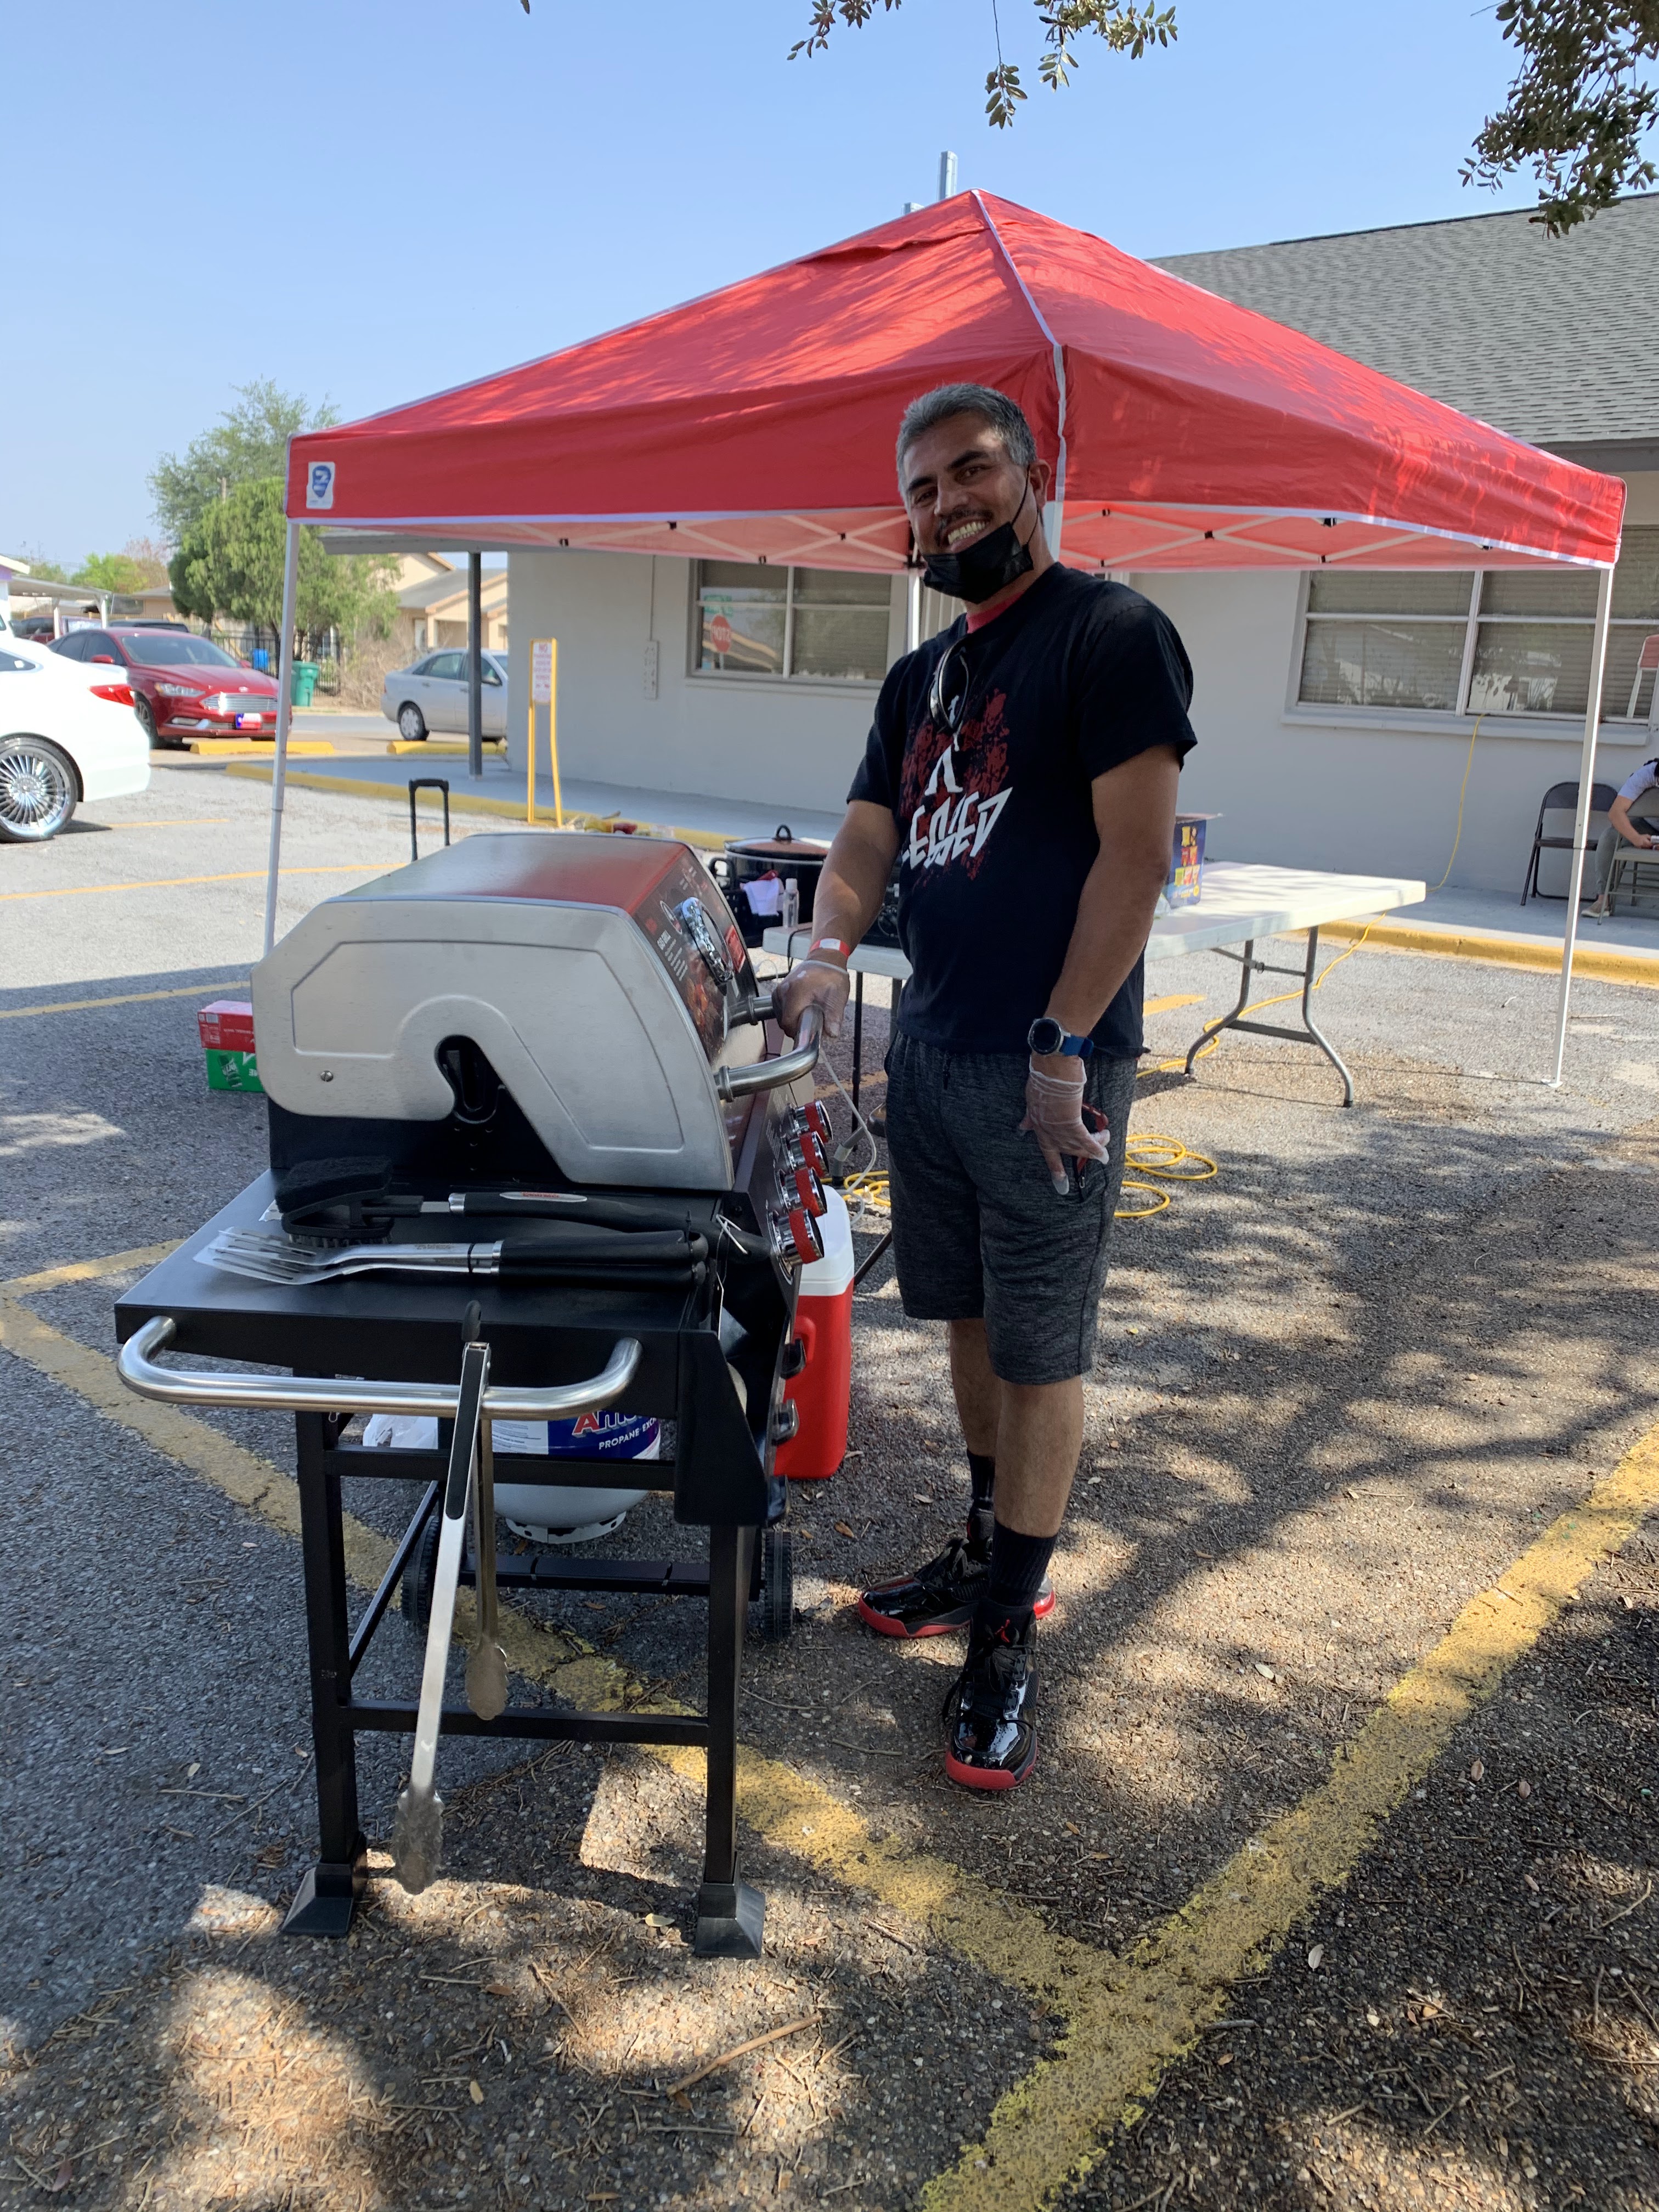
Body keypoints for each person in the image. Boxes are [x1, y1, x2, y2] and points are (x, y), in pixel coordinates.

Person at [776, 383, 1196, 1791]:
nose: (944, 503)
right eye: (921, 488)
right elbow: (865, 833)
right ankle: (980, 1546)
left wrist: (1064, 1047)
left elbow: (1137, 857)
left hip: (1045, 1069)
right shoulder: (920, 679)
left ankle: (1012, 1625)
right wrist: (829, 953)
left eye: (968, 472)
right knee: (957, 1317)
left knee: (1041, 1349)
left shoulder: (1111, 634)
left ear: (1032, 475)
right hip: (935, 1048)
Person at [1589, 759, 1659, 916]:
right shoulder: (1647, 774)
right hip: (1646, 825)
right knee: (1610, 837)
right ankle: (1603, 901)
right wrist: (1636, 839)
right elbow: (1616, 813)